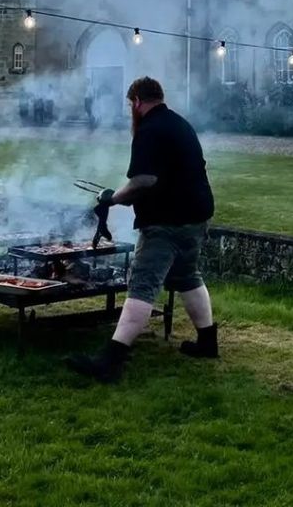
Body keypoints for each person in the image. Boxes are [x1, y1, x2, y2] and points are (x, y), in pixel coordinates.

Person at [66, 76, 217, 382]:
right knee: (187, 276)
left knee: (142, 286)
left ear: (136, 101)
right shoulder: (179, 124)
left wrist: (112, 198)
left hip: (167, 224)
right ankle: (207, 342)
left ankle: (110, 362)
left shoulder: (149, 130)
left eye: (130, 105)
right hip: (196, 218)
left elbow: (144, 181)